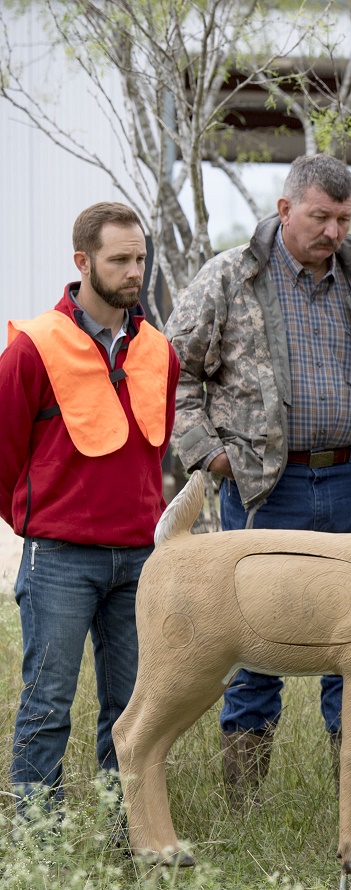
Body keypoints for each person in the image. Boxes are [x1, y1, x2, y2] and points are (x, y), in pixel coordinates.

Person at [168, 154, 351, 807]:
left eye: (343, 218)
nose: (333, 231)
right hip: (261, 489)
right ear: (285, 210)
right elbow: (171, 378)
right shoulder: (229, 277)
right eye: (320, 216)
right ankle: (245, 807)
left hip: (347, 483)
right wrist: (209, 455)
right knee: (255, 641)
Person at [2, 202, 180, 817]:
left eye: (140, 259)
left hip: (139, 561)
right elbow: (2, 460)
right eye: (120, 260)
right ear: (83, 262)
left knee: (130, 708)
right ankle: (36, 845)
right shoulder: (32, 348)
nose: (135, 271)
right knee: (47, 704)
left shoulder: (160, 351)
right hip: (59, 561)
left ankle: (121, 835)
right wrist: (45, 526)